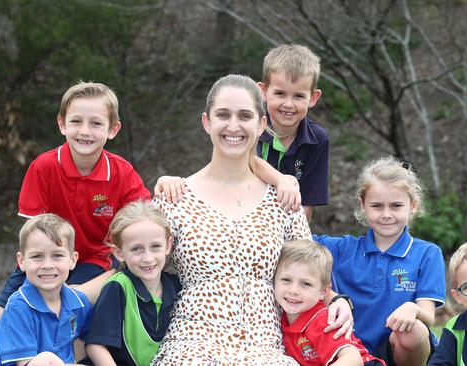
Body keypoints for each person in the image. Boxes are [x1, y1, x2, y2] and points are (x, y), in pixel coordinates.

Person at [150, 74, 352, 365]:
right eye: (223, 115)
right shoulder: (175, 197)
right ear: (207, 122)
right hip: (191, 345)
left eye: (244, 116)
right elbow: (141, 268)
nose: (233, 126)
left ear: (261, 124)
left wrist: (338, 300)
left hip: (265, 348)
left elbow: (309, 270)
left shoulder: (283, 200)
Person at [0, 81, 152, 354]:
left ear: (113, 129)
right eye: (76, 121)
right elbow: (33, 233)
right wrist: (47, 264)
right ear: (62, 124)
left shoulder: (121, 173)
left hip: (93, 261)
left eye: (96, 123)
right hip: (45, 256)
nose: (85, 131)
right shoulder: (43, 167)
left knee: (69, 316)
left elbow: (145, 219)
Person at [314, 156, 446, 366]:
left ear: (412, 205)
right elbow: (294, 236)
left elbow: (428, 316)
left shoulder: (427, 253)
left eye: (396, 206)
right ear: (363, 205)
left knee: (413, 330)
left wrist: (413, 309)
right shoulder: (340, 249)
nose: (386, 214)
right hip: (351, 352)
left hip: (400, 351)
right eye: (377, 206)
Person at [83, 201, 181, 366]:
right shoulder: (118, 287)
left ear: (168, 245)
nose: (148, 258)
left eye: (155, 246)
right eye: (137, 249)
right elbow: (95, 345)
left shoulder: (175, 286)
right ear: (119, 253)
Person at [0, 214, 92, 366]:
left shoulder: (79, 302)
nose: (48, 265)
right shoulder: (18, 306)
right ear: (21, 261)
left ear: (72, 260)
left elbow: (90, 341)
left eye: (57, 255)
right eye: (37, 256)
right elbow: (28, 363)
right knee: (46, 359)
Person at [275, 239, 386, 366]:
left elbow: (353, 358)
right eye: (286, 279)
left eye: (306, 284)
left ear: (324, 291)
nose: (293, 290)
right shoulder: (279, 316)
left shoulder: (321, 320)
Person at [256, 44, 329, 222]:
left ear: (313, 98)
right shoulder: (251, 129)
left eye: (298, 96)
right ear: (263, 91)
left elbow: (306, 206)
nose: (288, 104)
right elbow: (246, 165)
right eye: (280, 93)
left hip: (288, 230)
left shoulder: (317, 139)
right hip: (246, 227)